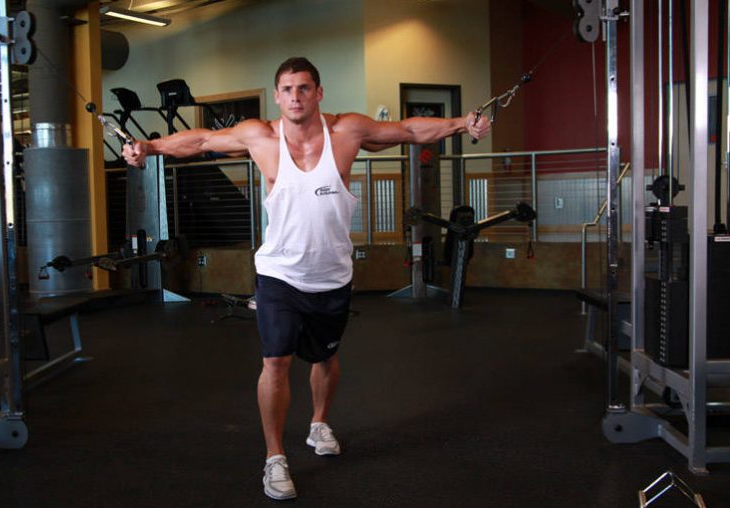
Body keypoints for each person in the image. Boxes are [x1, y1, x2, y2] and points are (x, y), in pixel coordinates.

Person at [123, 57, 491, 501]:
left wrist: (461, 123)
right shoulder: (259, 135)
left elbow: (410, 131)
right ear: (278, 96)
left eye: (303, 88)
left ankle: (318, 424)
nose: (295, 97)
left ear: (318, 93)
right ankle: (275, 457)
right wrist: (149, 146)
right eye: (287, 89)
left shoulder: (347, 131)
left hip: (332, 276)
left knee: (325, 358)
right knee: (275, 362)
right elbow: (200, 140)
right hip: (279, 273)